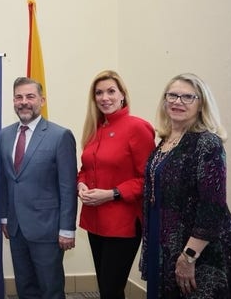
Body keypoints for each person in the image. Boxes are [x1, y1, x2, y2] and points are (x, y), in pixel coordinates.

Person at [140, 73, 231, 298]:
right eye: (173, 95)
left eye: (188, 97)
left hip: (200, 250)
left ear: (201, 105)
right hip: (166, 242)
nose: (178, 102)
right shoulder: (166, 140)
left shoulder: (207, 143)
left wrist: (189, 256)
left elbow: (212, 207)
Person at [77, 70, 155, 299]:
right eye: (99, 93)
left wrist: (112, 193)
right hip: (95, 220)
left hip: (123, 223)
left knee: (111, 289)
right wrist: (80, 185)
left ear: (123, 95)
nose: (105, 97)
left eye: (111, 91)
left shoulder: (137, 127)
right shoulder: (95, 129)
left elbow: (149, 179)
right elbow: (85, 170)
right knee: (106, 288)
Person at [0, 77, 77, 299]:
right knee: (25, 288)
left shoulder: (60, 135)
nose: (24, 102)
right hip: (15, 228)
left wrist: (67, 228)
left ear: (42, 100)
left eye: (30, 96)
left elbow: (67, 187)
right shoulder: (5, 135)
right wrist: (4, 217)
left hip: (48, 229)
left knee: (50, 288)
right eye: (19, 97)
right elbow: (5, 180)